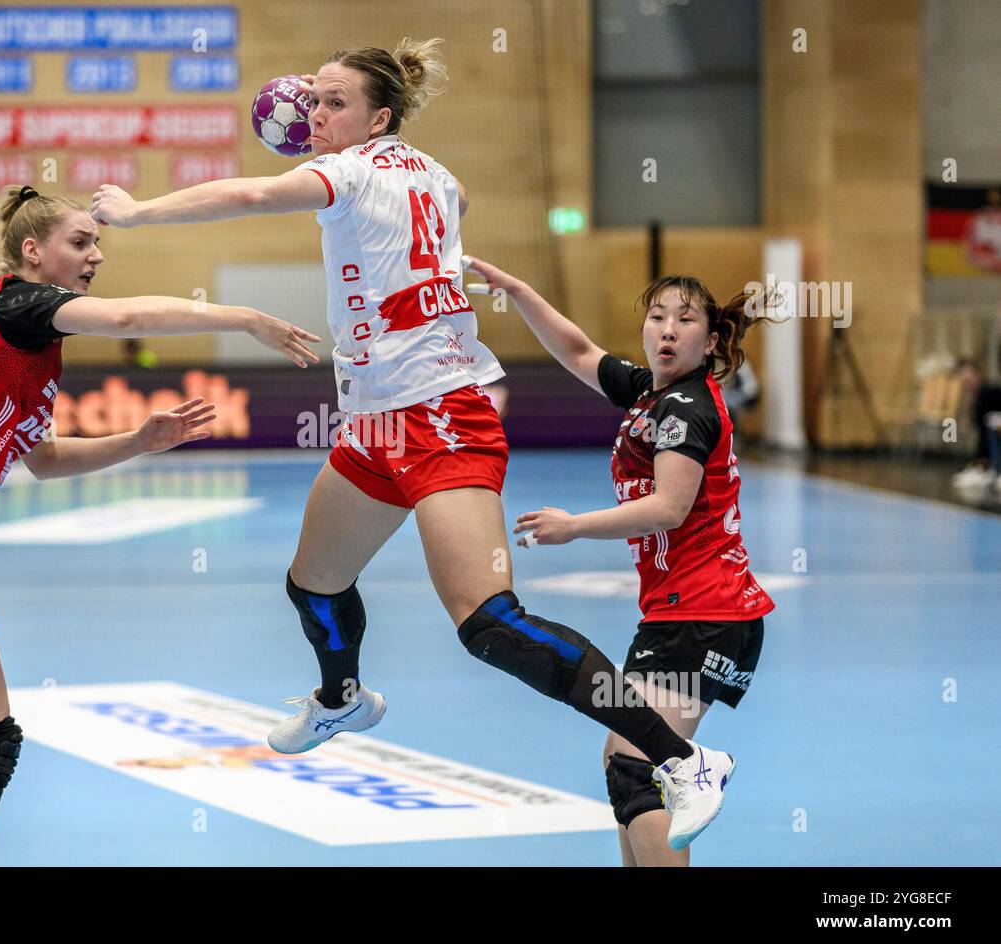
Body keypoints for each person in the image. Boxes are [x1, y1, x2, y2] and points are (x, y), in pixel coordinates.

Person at [92, 39, 735, 849]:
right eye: (312, 101)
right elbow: (451, 204)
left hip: (440, 416)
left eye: (333, 103)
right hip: (376, 424)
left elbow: (253, 191)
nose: (316, 116)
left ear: (378, 117)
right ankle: (342, 701)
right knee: (314, 585)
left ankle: (682, 759)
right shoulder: (437, 175)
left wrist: (137, 212)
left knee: (489, 625)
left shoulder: (351, 171)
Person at [0, 185, 320, 867]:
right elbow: (123, 318)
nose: (96, 254)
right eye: (80, 242)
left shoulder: (29, 343)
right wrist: (240, 318)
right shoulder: (17, 304)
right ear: (33, 252)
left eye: (98, 243)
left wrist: (138, 441)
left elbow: (45, 459)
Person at [463, 256, 775, 865]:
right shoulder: (651, 394)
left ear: (710, 341)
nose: (665, 329)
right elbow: (579, 352)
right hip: (683, 611)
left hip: (706, 614)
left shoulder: (685, 409)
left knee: (641, 765)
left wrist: (573, 527)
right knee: (627, 762)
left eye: (684, 321)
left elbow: (669, 508)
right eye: (656, 317)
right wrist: (521, 289)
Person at [950, 358, 1001, 493]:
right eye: (962, 373)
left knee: (990, 422)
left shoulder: (986, 393)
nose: (966, 377)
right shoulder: (972, 397)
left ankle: (984, 465)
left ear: (979, 374)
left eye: (970, 373)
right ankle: (980, 466)